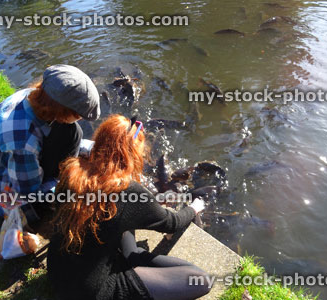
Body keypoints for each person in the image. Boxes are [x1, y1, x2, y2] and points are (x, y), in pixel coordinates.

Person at [47, 115, 211, 300]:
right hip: (88, 292)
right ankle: (134, 261)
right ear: (132, 153)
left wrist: (149, 203)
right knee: (201, 280)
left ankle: (133, 259)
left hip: (57, 272)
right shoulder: (127, 191)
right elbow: (171, 223)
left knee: (123, 219)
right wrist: (194, 208)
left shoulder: (73, 170)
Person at [0, 64, 100, 219]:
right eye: (79, 115)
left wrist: (94, 148)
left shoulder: (33, 96)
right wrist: (69, 182)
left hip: (18, 164)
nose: (81, 119)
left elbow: (69, 137)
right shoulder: (23, 143)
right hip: (7, 189)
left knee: (73, 132)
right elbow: (28, 192)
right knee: (75, 198)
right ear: (63, 112)